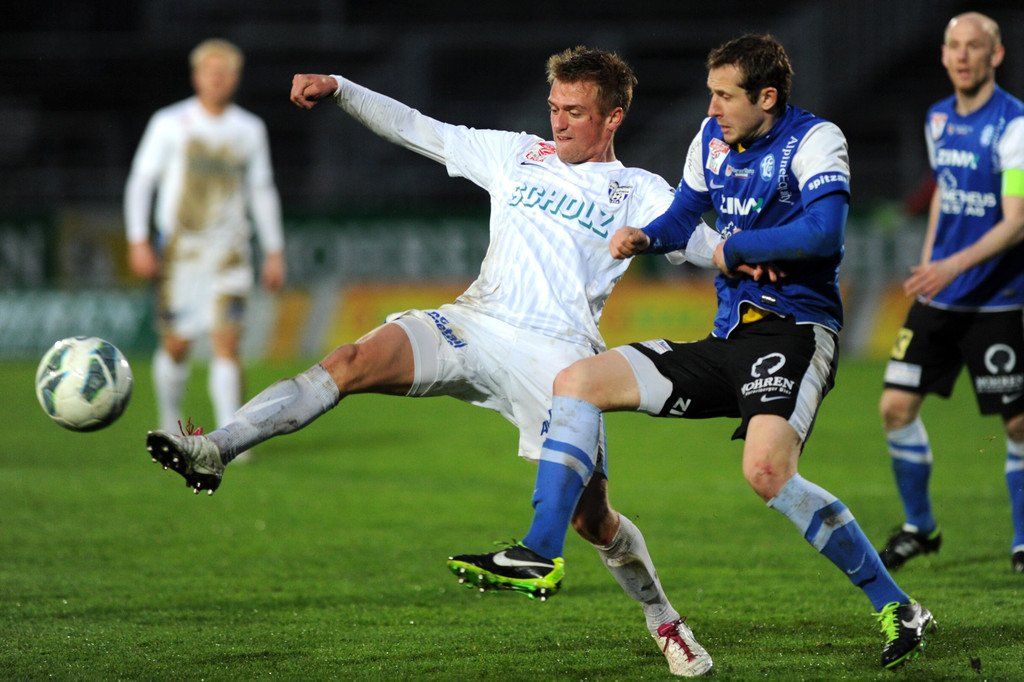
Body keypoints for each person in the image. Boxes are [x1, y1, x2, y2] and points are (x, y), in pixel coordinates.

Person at [144, 47, 739, 676]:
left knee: (594, 522)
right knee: (349, 360)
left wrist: (769, 262)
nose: (558, 122)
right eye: (553, 108)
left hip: (560, 361)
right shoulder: (517, 154)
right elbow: (417, 128)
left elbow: (711, 247)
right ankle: (217, 448)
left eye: (575, 111)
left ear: (613, 117)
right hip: (474, 324)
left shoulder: (640, 191)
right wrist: (341, 87)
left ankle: (664, 620)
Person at [450, 34, 933, 671]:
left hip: (794, 334)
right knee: (578, 381)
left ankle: (898, 605)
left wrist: (736, 250)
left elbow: (825, 232)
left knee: (767, 473)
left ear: (767, 97)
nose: (711, 108)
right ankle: (540, 550)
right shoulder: (710, 140)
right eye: (711, 93)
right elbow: (682, 217)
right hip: (725, 339)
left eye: (725, 96)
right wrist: (646, 237)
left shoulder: (817, 141)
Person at [877, 12, 1024, 574]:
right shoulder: (938, 118)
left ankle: (1022, 540)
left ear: (996, 55)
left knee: (1017, 423)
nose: (962, 56)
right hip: (939, 295)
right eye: (954, 46)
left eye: (974, 46)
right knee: (894, 407)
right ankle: (921, 528)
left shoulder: (1013, 125)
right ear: (943, 55)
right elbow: (945, 189)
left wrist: (951, 265)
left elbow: (1016, 221)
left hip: (997, 299)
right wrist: (930, 259)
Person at [125, 39, 285, 456]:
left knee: (227, 342)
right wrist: (138, 239)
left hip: (230, 252)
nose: (218, 79)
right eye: (210, 71)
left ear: (236, 78)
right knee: (176, 344)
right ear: (196, 76)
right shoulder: (170, 123)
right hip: (181, 254)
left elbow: (262, 189)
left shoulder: (249, 129)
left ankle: (231, 439)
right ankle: (169, 423)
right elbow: (142, 180)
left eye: (226, 72)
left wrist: (274, 249)